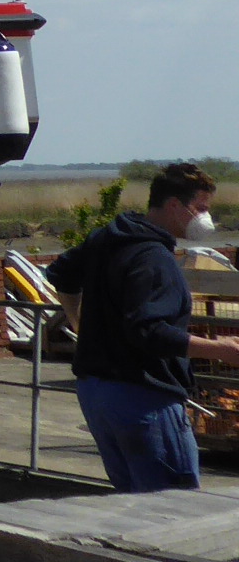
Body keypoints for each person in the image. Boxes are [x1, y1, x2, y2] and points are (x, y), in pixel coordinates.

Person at [47, 161, 239, 492]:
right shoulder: (154, 258)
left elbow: (61, 274)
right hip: (143, 397)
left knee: (132, 504)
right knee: (173, 505)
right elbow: (148, 331)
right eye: (201, 208)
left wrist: (79, 324)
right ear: (175, 205)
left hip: (96, 394)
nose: (207, 217)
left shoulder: (109, 236)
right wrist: (220, 350)